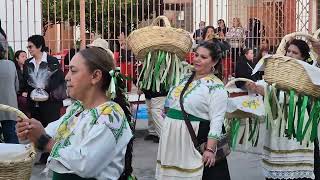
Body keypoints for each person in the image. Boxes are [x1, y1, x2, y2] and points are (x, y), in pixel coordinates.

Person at [16, 47, 133, 180]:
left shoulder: (111, 114)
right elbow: (49, 131)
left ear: (95, 76)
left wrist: (45, 141)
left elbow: (86, 164)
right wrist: (30, 130)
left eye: (73, 71)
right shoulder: (77, 109)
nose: (67, 77)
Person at [156, 40, 230, 180]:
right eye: (196, 55)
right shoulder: (183, 79)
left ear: (214, 62)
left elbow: (217, 119)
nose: (197, 59)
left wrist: (210, 149)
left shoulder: (216, 87)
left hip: (195, 138)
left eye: (203, 57)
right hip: (173, 140)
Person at [262, 38, 320, 180]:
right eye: (288, 51)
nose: (289, 55)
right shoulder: (279, 70)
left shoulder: (309, 71)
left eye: (295, 52)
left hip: (300, 121)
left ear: (303, 57)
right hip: (280, 124)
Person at [22, 35, 65, 164]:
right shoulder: (28, 63)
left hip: (50, 102)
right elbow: (26, 80)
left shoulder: (52, 61)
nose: (29, 49)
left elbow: (57, 80)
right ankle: (39, 153)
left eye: (31, 46)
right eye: (28, 47)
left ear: (39, 46)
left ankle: (50, 154)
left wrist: (43, 87)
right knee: (35, 127)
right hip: (34, 102)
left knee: (50, 127)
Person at [0, 45, 19, 144]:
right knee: (11, 135)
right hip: (10, 105)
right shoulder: (11, 64)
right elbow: (17, 86)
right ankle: (15, 157)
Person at [14, 50, 29, 115]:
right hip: (17, 93)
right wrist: (20, 93)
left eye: (26, 57)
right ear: (17, 58)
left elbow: (29, 81)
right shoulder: (13, 68)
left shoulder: (27, 67)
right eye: (23, 56)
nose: (25, 58)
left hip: (26, 92)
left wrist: (27, 91)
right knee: (23, 101)